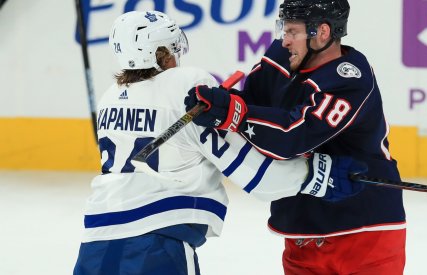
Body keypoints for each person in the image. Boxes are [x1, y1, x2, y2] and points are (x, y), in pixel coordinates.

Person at [73, 10, 367, 275]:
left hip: (93, 246)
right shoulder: (185, 84)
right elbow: (253, 172)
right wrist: (316, 176)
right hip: (154, 243)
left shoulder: (111, 98)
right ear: (162, 53)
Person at [184, 0, 406, 274]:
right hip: (301, 227)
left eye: (292, 31)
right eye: (283, 29)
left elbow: (292, 136)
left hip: (364, 227)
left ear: (323, 32)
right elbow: (253, 106)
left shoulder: (349, 77)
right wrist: (220, 104)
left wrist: (232, 112)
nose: (284, 40)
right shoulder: (282, 56)